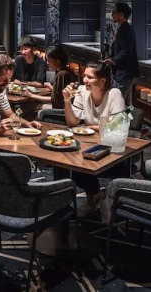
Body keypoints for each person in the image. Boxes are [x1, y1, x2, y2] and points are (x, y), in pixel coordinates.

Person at [61, 61, 126, 213]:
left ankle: (93, 198)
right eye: (84, 76)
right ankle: (92, 197)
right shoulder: (83, 92)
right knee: (64, 161)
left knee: (77, 164)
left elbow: (117, 128)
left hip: (112, 148)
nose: (84, 80)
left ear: (102, 81)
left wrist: (90, 127)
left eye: (90, 77)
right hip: (88, 144)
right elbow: (72, 123)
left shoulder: (114, 94)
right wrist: (66, 101)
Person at [21, 45, 77, 109]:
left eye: (49, 60)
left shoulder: (62, 74)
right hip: (62, 106)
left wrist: (31, 95)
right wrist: (52, 88)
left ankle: (18, 115)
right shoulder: (64, 71)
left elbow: (57, 101)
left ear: (58, 60)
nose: (47, 63)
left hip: (60, 110)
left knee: (27, 106)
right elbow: (60, 95)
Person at [105, 2, 140, 104]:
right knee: (126, 103)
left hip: (125, 72)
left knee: (117, 102)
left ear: (121, 15)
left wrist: (112, 60)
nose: (112, 14)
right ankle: (129, 115)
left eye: (114, 12)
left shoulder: (125, 30)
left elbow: (126, 51)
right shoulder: (124, 28)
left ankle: (124, 115)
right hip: (126, 72)